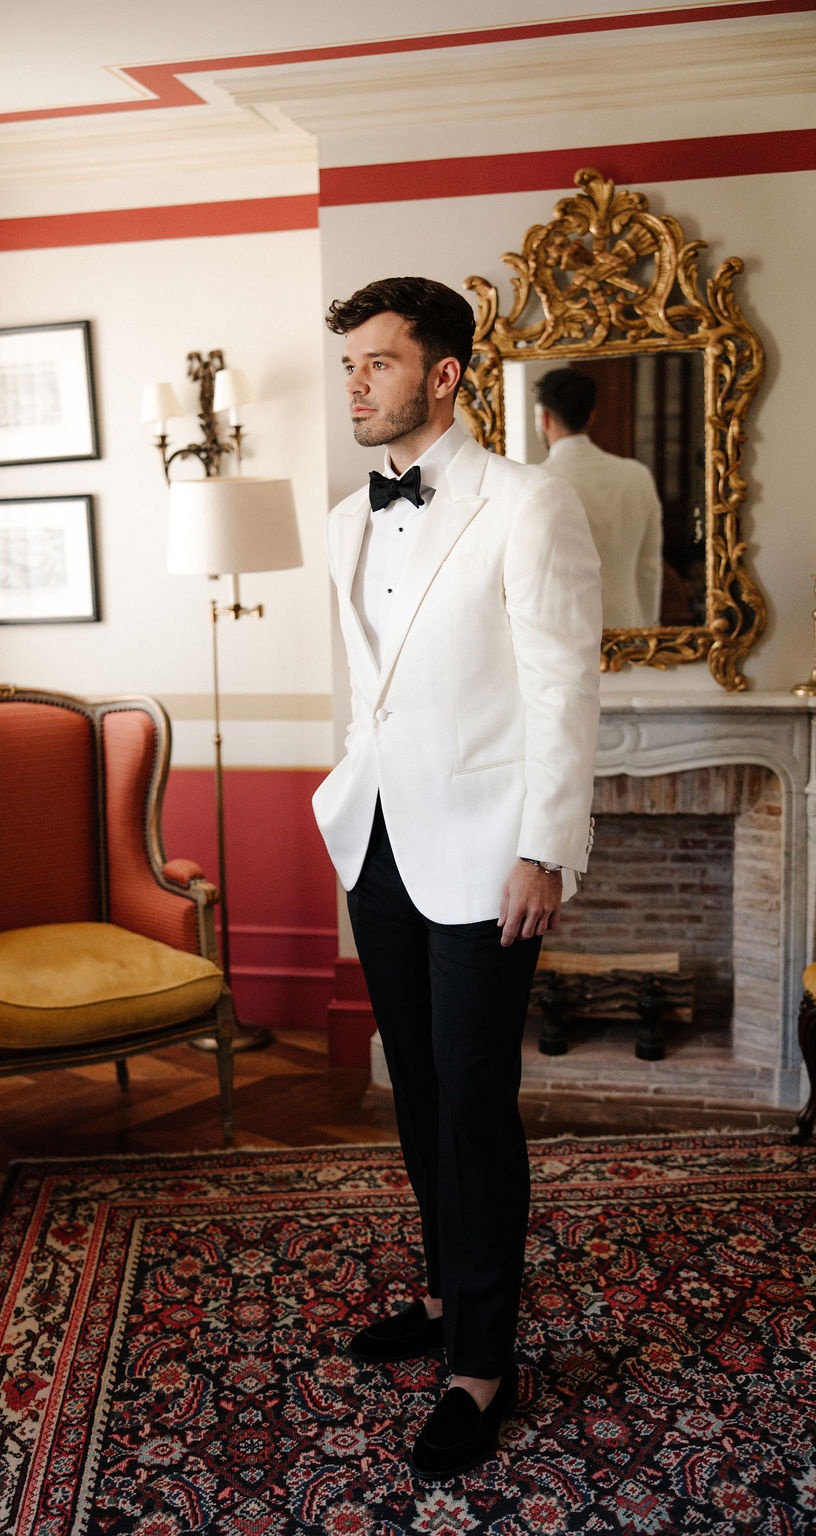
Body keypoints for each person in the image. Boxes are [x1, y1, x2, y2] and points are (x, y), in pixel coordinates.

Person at [312, 277, 601, 1480]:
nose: (355, 385)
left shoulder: (527, 502)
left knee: (475, 1103)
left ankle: (482, 1362)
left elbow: (561, 686)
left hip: (489, 849)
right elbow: (361, 691)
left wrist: (547, 844)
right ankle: (442, 1297)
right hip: (376, 839)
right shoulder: (340, 517)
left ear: (442, 375)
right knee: (417, 1088)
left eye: (376, 363)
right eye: (348, 367)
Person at [533, 367, 663, 629]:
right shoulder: (637, 476)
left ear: (545, 419)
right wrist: (649, 631)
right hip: (630, 628)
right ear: (591, 417)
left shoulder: (535, 484)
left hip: (565, 633)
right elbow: (649, 566)